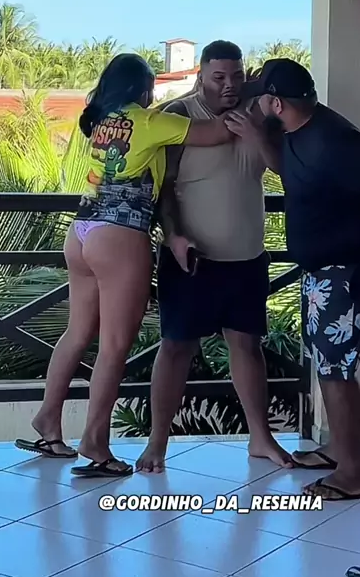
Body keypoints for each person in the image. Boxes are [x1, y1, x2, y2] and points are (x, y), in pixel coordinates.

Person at [15, 53, 233, 477]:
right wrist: (248, 94)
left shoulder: (101, 119)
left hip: (81, 232)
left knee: (77, 333)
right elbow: (219, 132)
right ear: (143, 88)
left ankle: (47, 420)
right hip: (120, 234)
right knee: (115, 346)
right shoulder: (150, 122)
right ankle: (95, 443)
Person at [225, 58, 360, 501]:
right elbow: (290, 171)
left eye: (261, 100)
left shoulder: (334, 142)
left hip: (349, 273)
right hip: (328, 272)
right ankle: (339, 451)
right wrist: (256, 136)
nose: (257, 107)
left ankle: (353, 474)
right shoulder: (298, 130)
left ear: (276, 103)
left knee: (334, 374)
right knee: (336, 370)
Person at [136, 40, 294, 473]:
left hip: (247, 257)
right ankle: (157, 442)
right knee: (175, 348)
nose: (229, 85)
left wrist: (256, 133)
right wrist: (174, 235)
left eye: (236, 76)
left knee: (247, 346)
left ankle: (260, 438)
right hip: (191, 259)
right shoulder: (180, 115)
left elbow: (283, 169)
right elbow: (164, 187)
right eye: (219, 77)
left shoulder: (260, 115)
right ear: (201, 76)